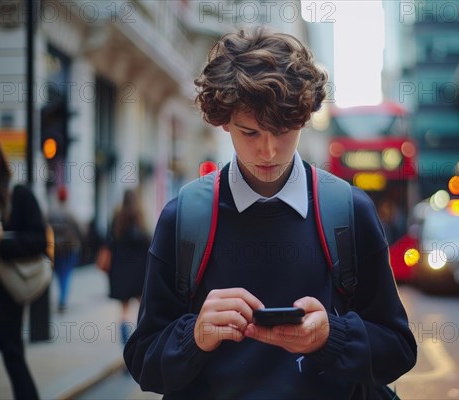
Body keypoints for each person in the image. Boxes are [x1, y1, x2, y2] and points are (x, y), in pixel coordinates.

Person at [124, 27, 417, 399]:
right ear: (224, 120)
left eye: (283, 131)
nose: (268, 151)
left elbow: (400, 350)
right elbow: (142, 362)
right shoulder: (183, 217)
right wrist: (194, 336)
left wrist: (332, 336)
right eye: (250, 133)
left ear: (305, 118)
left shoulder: (349, 210)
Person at [0, 141, 43, 400]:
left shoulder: (19, 195)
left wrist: (4, 240)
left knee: (13, 355)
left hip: (6, 294)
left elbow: (38, 239)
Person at [102, 188, 151, 344]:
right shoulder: (140, 217)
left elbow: (110, 241)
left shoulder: (117, 217)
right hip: (139, 272)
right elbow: (148, 242)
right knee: (143, 309)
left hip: (120, 271)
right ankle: (141, 340)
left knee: (124, 311)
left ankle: (126, 344)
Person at [48, 185, 83, 312]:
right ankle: (63, 299)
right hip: (69, 248)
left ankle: (61, 298)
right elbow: (80, 230)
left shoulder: (51, 212)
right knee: (66, 274)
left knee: (58, 274)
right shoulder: (70, 213)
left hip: (56, 249)